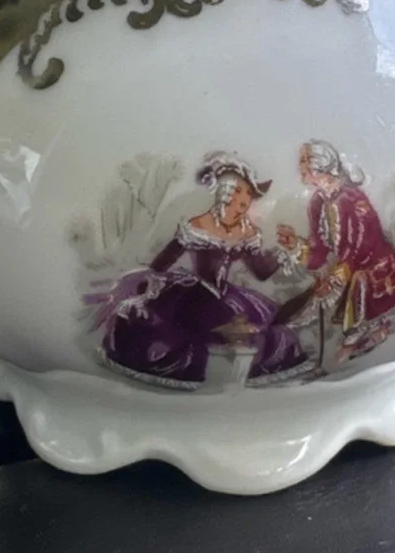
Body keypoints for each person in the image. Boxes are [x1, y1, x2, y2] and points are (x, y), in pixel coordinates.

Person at [93, 152, 310, 389]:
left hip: (227, 297)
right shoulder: (198, 226)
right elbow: (162, 263)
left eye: (248, 199)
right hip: (194, 297)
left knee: (262, 331)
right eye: (239, 197)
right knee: (189, 337)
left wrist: (285, 250)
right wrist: (149, 288)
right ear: (226, 194)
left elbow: (260, 272)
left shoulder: (247, 232)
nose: (243, 206)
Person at [277, 140, 395, 361]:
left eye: (305, 160)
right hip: (347, 268)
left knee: (361, 303)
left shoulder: (352, 198)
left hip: (373, 267)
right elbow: (319, 247)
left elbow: (361, 243)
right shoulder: (316, 202)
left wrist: (338, 275)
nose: (300, 166)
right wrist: (295, 244)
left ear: (320, 165)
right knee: (309, 306)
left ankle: (354, 345)